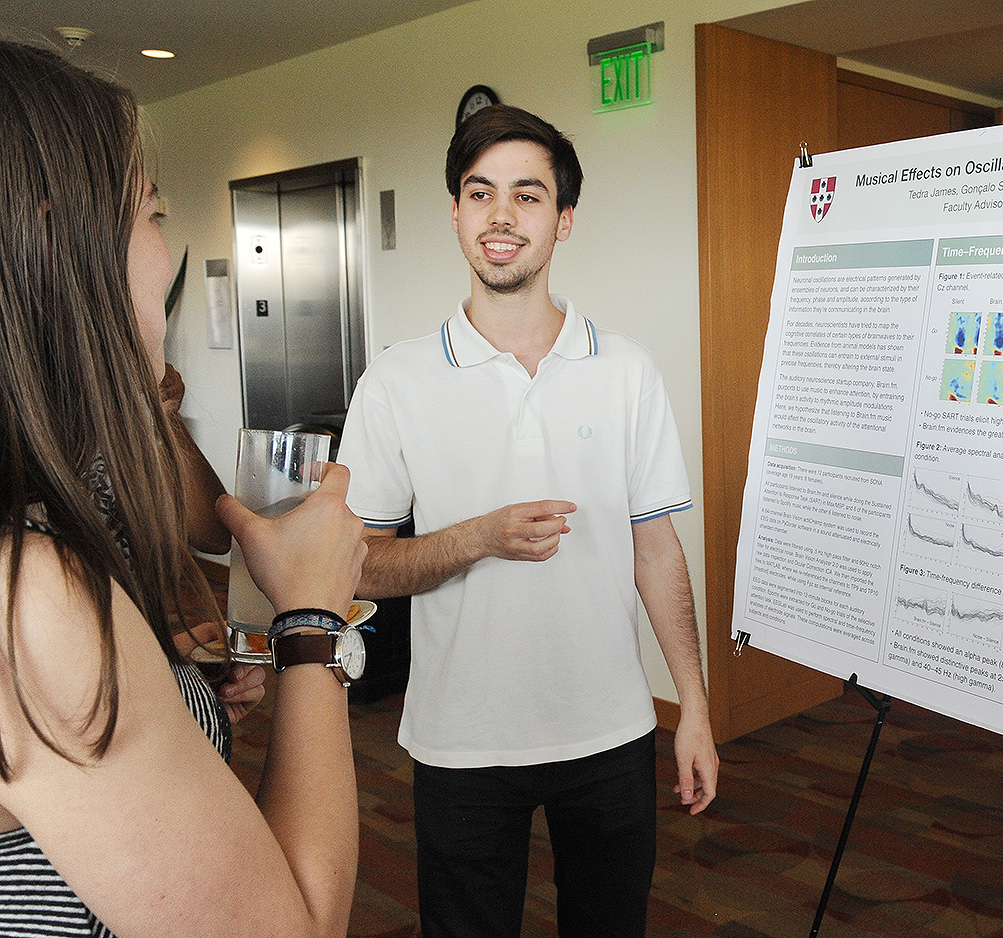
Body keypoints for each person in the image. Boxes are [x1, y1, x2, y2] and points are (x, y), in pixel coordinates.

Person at [0, 41, 367, 937]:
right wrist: (311, 621)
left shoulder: (46, 504)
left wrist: (158, 660)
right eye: (153, 214)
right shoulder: (32, 602)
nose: (165, 255)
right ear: (60, 241)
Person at [339, 104, 718, 938]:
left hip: (613, 730)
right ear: (455, 214)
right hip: (460, 740)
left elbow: (655, 548)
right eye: (480, 194)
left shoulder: (625, 369)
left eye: (528, 195)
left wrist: (692, 706)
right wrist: (478, 536)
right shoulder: (397, 381)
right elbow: (357, 565)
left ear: (564, 220)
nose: (501, 216)